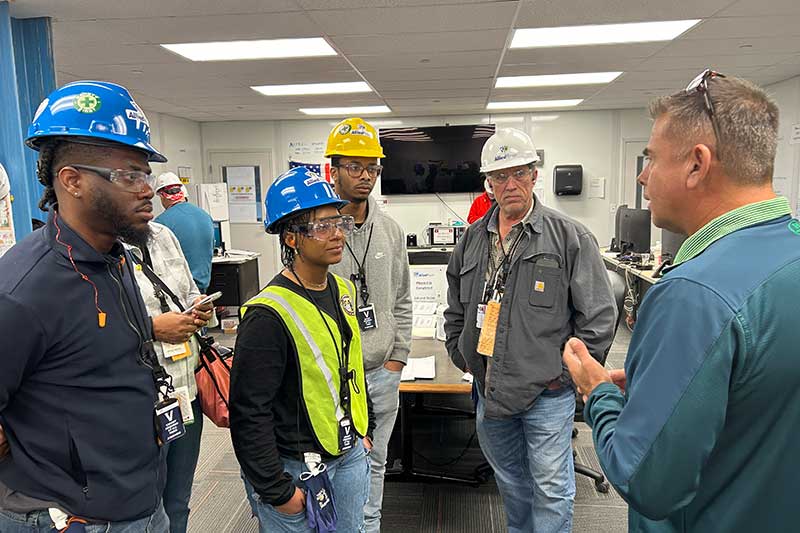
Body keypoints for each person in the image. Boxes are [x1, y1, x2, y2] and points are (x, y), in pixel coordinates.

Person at [563, 71, 800, 533]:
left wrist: (599, 392)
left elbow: (646, 480)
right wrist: (663, 388)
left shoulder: (693, 296)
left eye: (651, 158)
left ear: (697, 164)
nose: (642, 174)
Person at [0, 80, 174, 531]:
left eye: (146, 175)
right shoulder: (25, 287)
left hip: (140, 498)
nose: (147, 190)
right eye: (129, 175)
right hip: (77, 517)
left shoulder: (114, 258)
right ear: (72, 181)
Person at [444, 127, 616, 533]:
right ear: (489, 183)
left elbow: (599, 316)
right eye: (500, 176)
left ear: (535, 174)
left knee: (552, 489)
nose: (511, 184)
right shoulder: (471, 239)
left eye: (519, 173)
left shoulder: (569, 236)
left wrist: (565, 374)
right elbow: (456, 307)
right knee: (512, 484)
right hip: (489, 388)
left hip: (546, 392)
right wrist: (462, 352)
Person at [230, 166, 375, 533]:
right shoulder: (268, 315)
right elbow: (249, 411)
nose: (337, 234)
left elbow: (349, 366)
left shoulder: (343, 290)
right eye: (322, 226)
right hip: (296, 467)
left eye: (339, 222)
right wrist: (277, 490)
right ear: (291, 238)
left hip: (348, 452)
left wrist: (364, 426)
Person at [325, 117, 412, 532]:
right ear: (334, 170)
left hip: (381, 372)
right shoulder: (318, 231)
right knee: (334, 460)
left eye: (372, 168)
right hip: (333, 376)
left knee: (376, 463)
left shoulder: (391, 232)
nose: (365, 177)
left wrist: (397, 359)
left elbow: (402, 301)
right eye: (355, 167)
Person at [126, 221, 214, 533]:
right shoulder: (100, 248)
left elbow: (189, 290)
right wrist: (151, 328)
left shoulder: (163, 235)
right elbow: (87, 329)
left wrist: (199, 308)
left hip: (185, 392)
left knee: (178, 498)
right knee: (146, 507)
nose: (144, 191)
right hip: (141, 405)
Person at [154, 172, 214, 293]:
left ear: (162, 196)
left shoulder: (160, 223)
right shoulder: (205, 215)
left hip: (180, 289)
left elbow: (158, 260)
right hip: (203, 285)